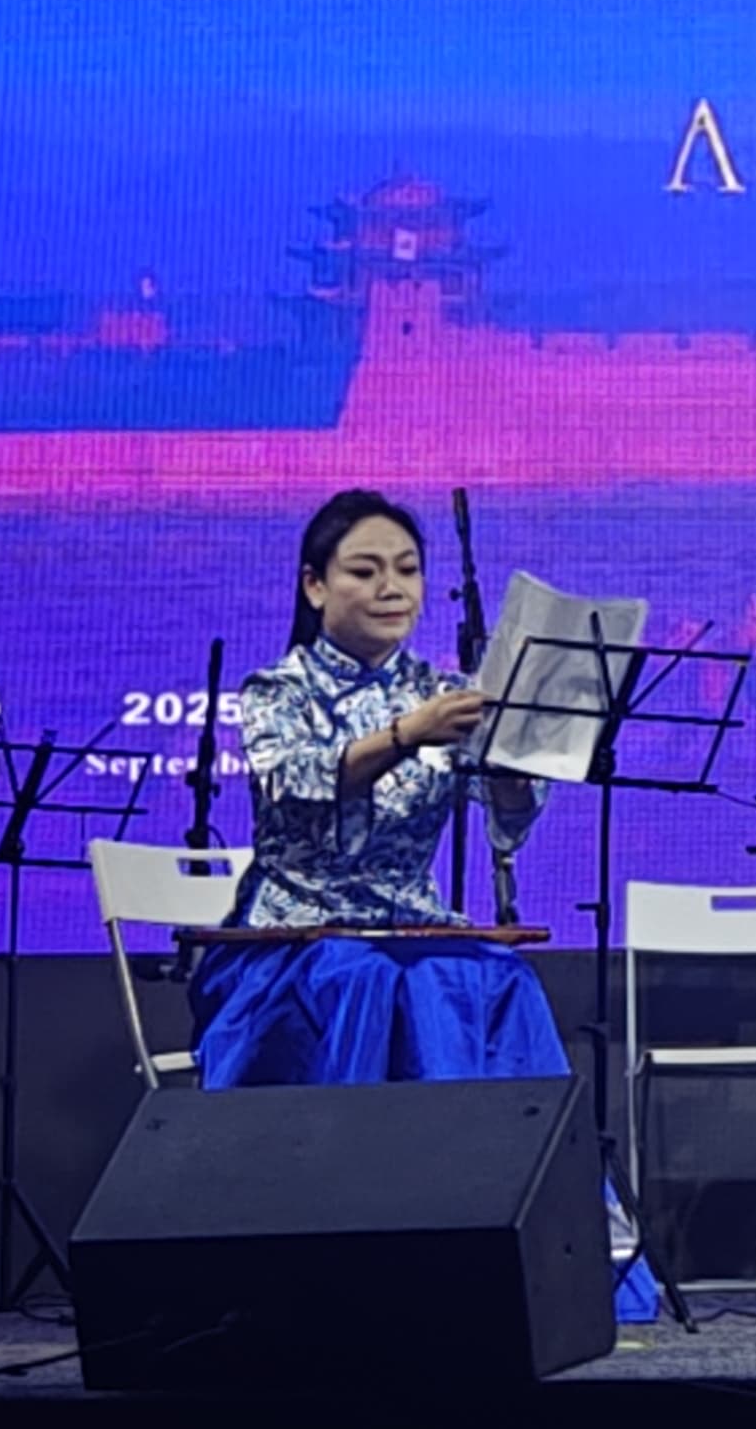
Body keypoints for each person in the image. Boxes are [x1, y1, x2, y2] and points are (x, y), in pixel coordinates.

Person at [214, 488, 659, 1317]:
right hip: (295, 933)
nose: (392, 588)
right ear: (315, 585)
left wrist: (519, 764)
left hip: (411, 923)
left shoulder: (445, 688)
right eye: (365, 571)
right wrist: (404, 735)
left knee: (498, 979)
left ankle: (518, 1251)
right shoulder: (277, 688)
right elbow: (295, 785)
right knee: (371, 980)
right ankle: (370, 1244)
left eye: (408, 570)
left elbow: (506, 821)